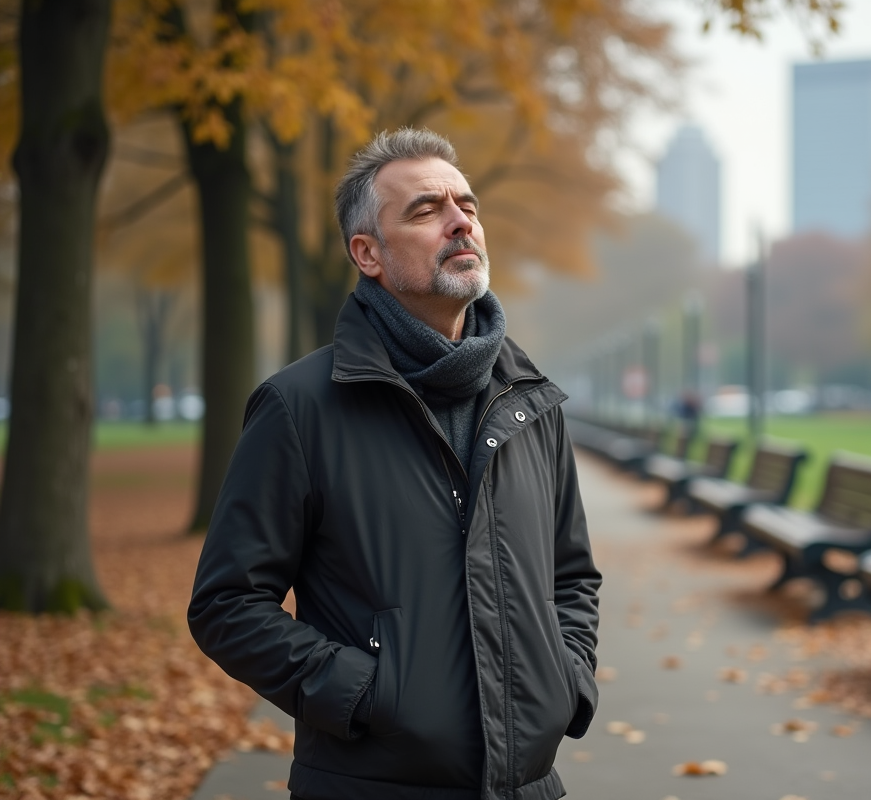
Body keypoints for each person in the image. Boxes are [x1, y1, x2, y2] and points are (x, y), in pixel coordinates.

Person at [188, 128, 601, 800]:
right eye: (426, 210)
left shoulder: (532, 402)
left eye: (467, 206)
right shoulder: (299, 408)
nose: (460, 222)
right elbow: (226, 604)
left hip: (529, 787)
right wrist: (365, 694)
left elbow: (572, 575)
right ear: (368, 254)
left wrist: (568, 678)